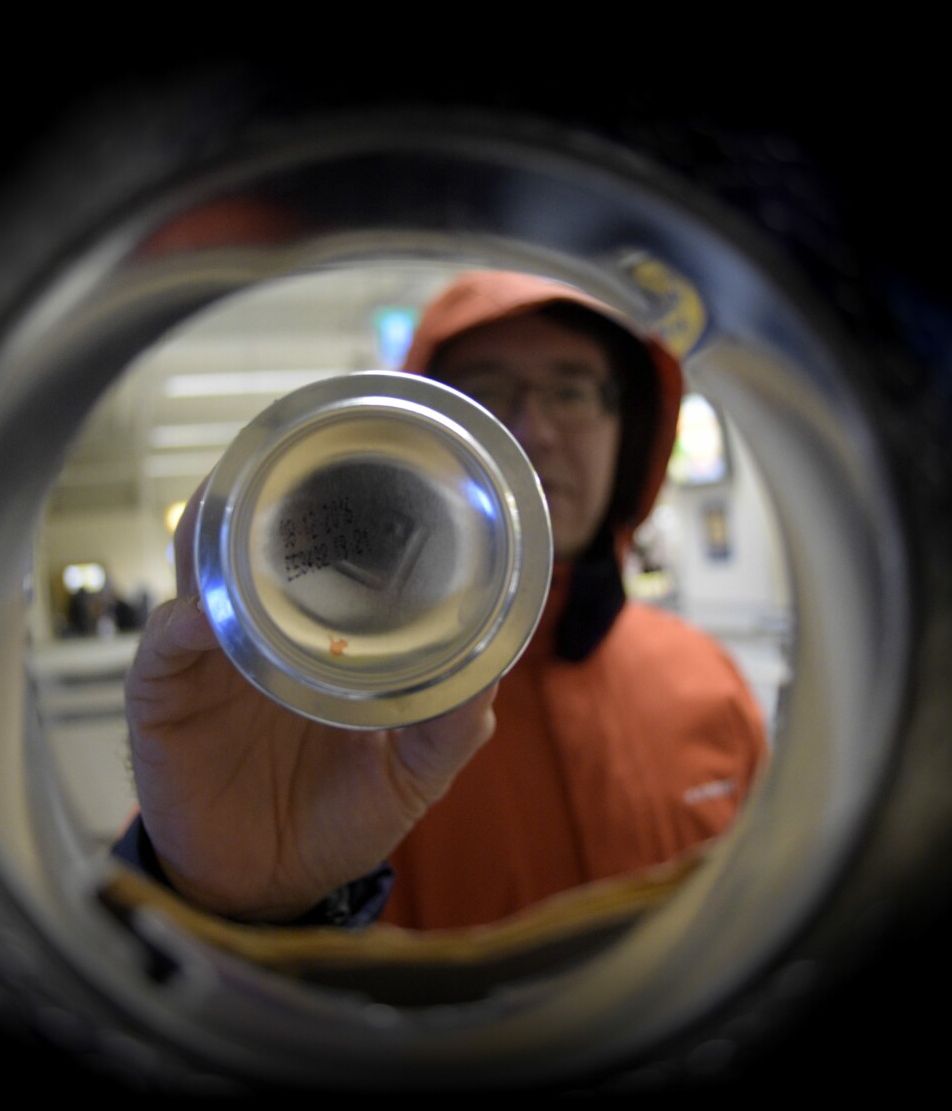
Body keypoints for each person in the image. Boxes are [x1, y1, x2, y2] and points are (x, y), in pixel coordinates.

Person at [114, 269, 769, 930]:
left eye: (571, 391)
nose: (533, 430)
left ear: (623, 430)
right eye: (485, 392)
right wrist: (232, 905)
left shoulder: (709, 682)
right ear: (422, 438)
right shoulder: (320, 703)